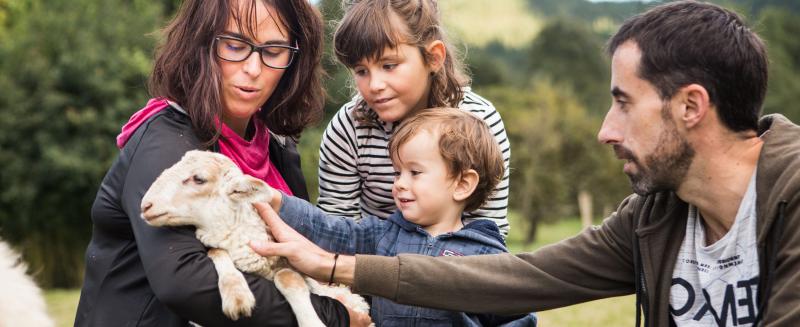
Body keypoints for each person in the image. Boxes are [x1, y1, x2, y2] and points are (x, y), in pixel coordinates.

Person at [251, 1, 800, 326]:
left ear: (691, 107)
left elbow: (483, 256)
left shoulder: (789, 199)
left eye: (623, 102)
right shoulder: (654, 218)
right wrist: (334, 265)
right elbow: (521, 277)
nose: (605, 130)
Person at [74, 0, 365, 326]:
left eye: (273, 51)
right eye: (235, 44)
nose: (254, 68)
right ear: (200, 43)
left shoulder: (275, 146)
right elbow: (185, 282)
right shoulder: (166, 142)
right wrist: (335, 316)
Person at [255, 108, 536, 326]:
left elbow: (515, 317)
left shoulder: (486, 255)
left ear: (462, 184)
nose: (399, 183)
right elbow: (332, 229)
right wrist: (280, 202)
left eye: (414, 173)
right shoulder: (385, 234)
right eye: (397, 172)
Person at [315, 0, 512, 236]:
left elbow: (489, 230)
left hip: (455, 265)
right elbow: (335, 229)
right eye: (361, 71)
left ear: (433, 58)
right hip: (371, 265)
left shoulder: (480, 121)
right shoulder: (348, 129)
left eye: (389, 65)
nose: (374, 85)